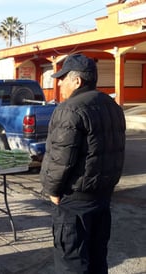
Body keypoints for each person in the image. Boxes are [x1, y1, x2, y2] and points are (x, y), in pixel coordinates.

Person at [40, 54, 126, 274]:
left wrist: (52, 190)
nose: (59, 83)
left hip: (75, 202)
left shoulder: (70, 109)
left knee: (73, 261)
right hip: (102, 196)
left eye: (63, 78)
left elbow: (60, 158)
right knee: (98, 257)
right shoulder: (112, 106)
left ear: (77, 81)